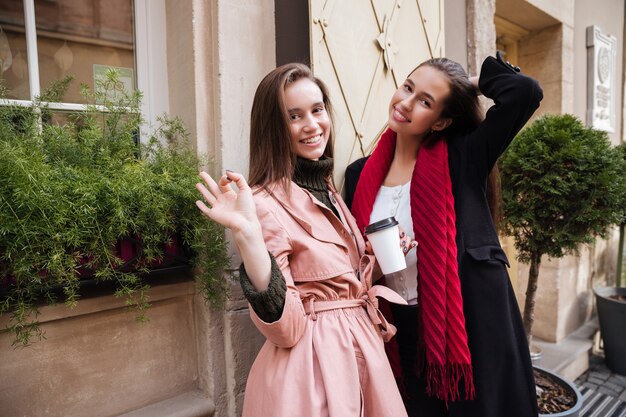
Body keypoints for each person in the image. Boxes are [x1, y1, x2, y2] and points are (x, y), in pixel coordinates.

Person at [195, 63, 410, 417]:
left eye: (317, 109)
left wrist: (376, 256)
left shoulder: (327, 189)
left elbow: (339, 283)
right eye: (294, 116)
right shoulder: (263, 203)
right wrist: (247, 235)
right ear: (274, 128)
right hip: (314, 375)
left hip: (362, 356)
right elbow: (288, 328)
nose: (312, 125)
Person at [344, 52, 543, 417]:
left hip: (468, 320)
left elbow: (525, 92)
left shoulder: (463, 155)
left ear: (441, 121)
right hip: (396, 322)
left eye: (425, 101)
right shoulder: (359, 174)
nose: (405, 103)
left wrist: (470, 84)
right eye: (408, 87)